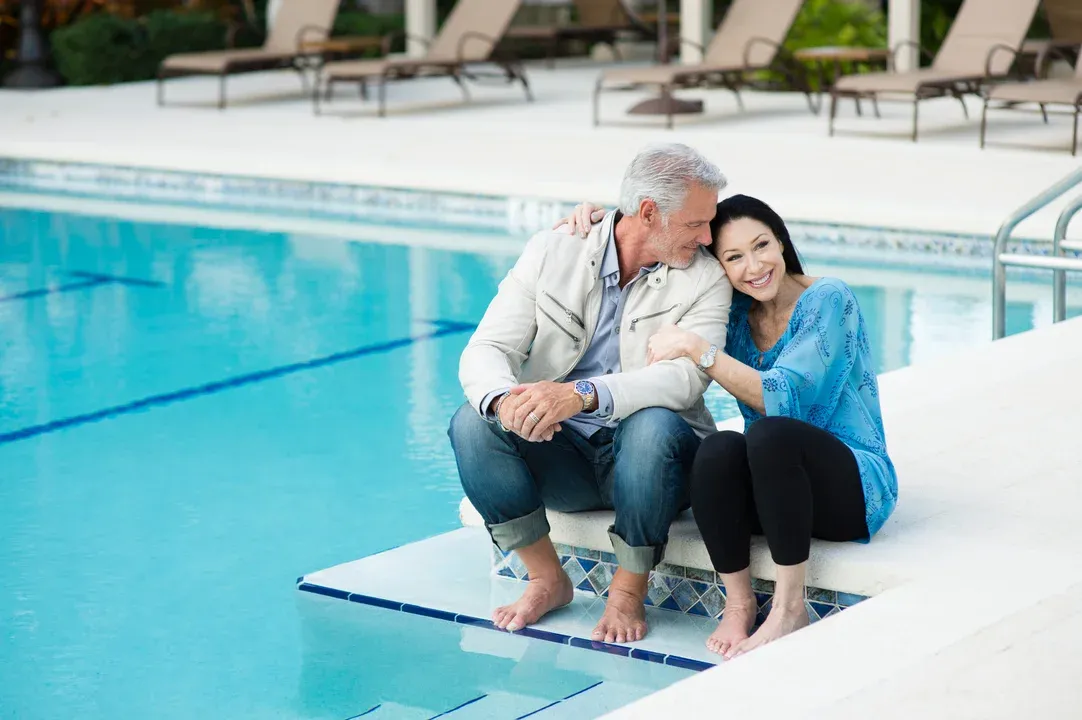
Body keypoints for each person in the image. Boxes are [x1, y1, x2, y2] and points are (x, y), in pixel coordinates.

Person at [558, 194, 898, 658]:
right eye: (733, 257)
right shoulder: (736, 314)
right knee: (716, 450)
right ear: (718, 266)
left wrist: (698, 349)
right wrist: (611, 220)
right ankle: (738, 605)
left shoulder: (828, 299)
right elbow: (666, 237)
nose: (754, 266)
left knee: (769, 433)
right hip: (777, 490)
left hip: (851, 490)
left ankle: (788, 607)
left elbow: (782, 395)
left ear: (781, 241)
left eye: (761, 246)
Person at [448, 143, 733, 644]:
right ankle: (546, 578)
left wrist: (582, 394)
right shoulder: (552, 249)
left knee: (652, 423)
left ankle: (627, 591)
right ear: (648, 213)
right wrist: (505, 402)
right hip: (566, 459)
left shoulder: (706, 279)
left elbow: (684, 379)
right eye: (695, 224)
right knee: (472, 422)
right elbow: (488, 346)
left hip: (658, 464)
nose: (707, 236)